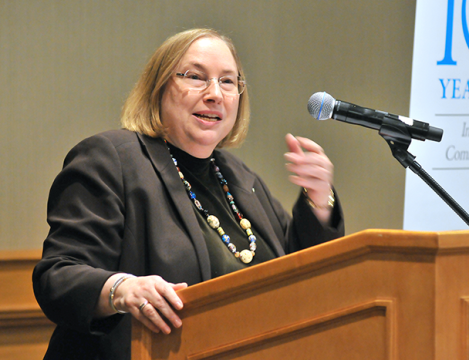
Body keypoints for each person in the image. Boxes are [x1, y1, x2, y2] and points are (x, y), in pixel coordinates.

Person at [33, 28, 344, 360]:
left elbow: (301, 280)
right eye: (196, 77)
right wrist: (121, 289)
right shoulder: (112, 159)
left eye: (228, 81)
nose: (215, 94)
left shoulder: (240, 178)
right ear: (159, 87)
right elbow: (58, 275)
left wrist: (319, 201)